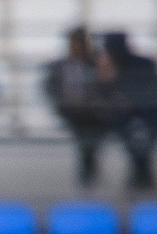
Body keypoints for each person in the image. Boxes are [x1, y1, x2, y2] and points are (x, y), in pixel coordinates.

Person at [45, 28, 116, 190]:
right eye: (74, 43)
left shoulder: (97, 64)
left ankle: (88, 162)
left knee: (93, 125)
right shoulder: (58, 67)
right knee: (84, 126)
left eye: (81, 43)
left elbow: (109, 86)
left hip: (93, 111)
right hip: (70, 111)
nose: (77, 47)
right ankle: (88, 163)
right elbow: (50, 90)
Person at [101, 31, 157, 193]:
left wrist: (132, 103)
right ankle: (141, 168)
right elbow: (105, 94)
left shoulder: (144, 65)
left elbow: (154, 91)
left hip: (148, 111)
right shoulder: (109, 67)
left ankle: (141, 167)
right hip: (124, 114)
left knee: (146, 131)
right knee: (125, 128)